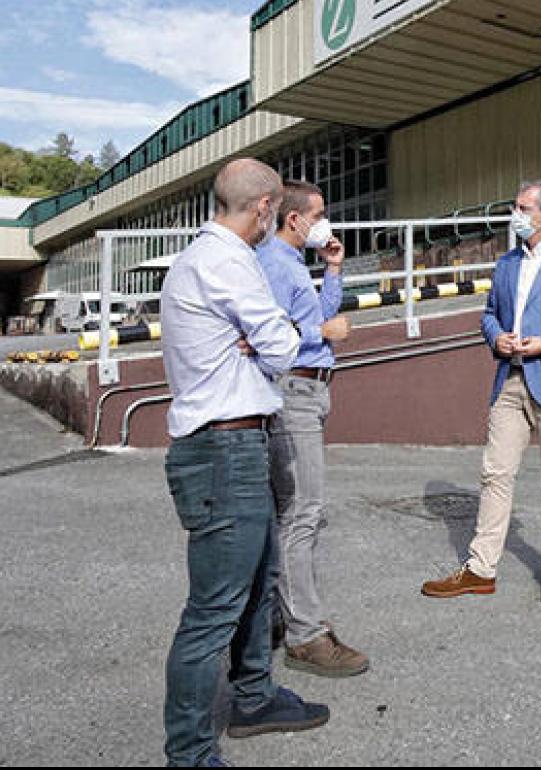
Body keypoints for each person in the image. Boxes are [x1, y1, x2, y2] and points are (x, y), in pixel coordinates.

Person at [160, 158, 329, 766]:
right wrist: (267, 334)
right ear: (263, 209)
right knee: (213, 612)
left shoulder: (200, 259)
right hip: (222, 449)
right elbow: (286, 344)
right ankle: (190, 753)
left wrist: (255, 337)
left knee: (260, 585)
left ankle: (254, 696)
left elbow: (268, 341)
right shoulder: (229, 261)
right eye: (274, 211)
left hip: (237, 444)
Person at [421, 180, 541, 610]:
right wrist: (497, 339)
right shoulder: (507, 263)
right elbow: (489, 314)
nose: (516, 214)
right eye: (515, 206)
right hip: (510, 379)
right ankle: (480, 569)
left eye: (524, 207)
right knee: (494, 472)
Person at [256, 179, 368, 677]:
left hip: (311, 389)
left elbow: (319, 313)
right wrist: (319, 333)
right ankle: (305, 633)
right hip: (294, 391)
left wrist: (334, 270)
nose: (326, 221)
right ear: (294, 219)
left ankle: (279, 619)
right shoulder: (275, 265)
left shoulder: (295, 264)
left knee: (294, 512)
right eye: (319, 213)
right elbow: (266, 332)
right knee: (302, 514)